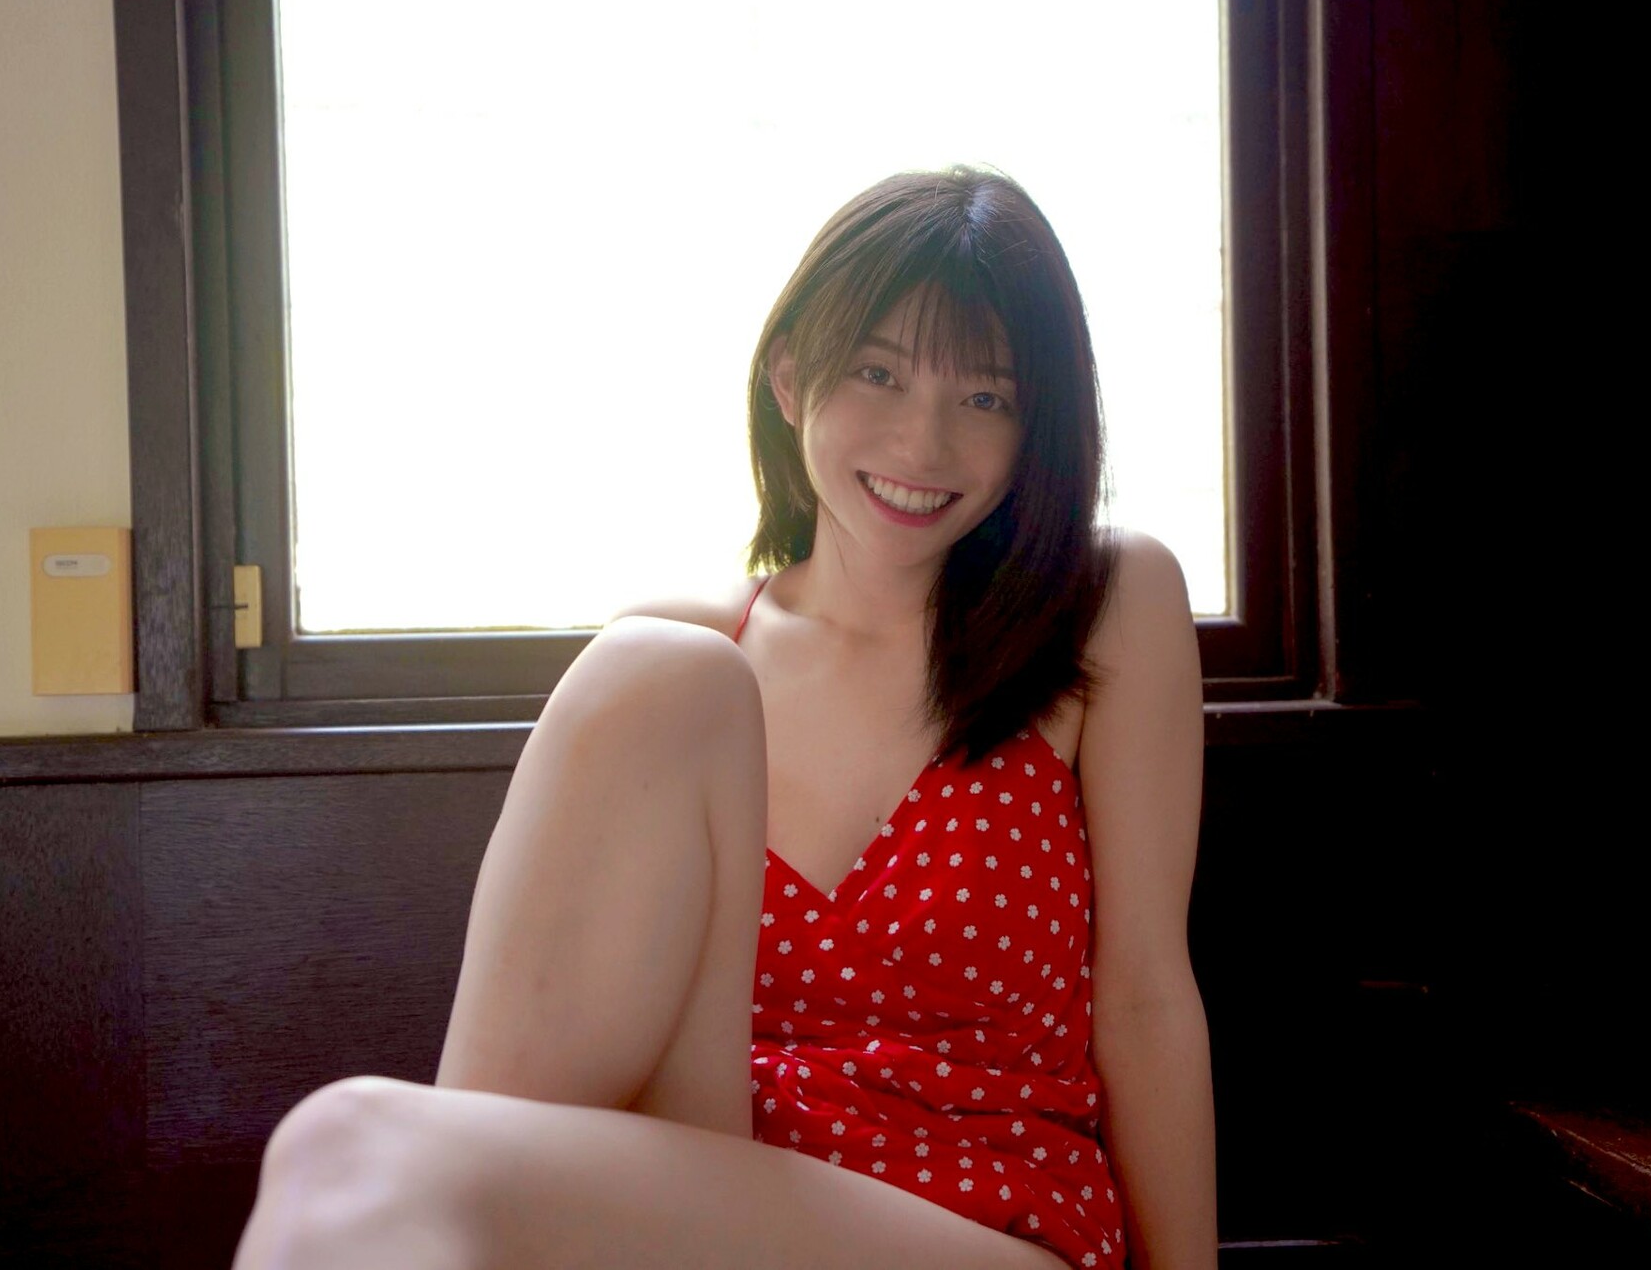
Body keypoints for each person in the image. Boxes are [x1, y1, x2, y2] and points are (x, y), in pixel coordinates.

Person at [232, 166, 1214, 1270]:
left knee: (350, 1143)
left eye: (984, 398)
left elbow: (1144, 999)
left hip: (986, 1214)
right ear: (791, 378)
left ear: (1036, 426)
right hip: (713, 1191)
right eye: (879, 373)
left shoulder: (1105, 603)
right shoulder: (690, 663)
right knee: (655, 667)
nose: (923, 442)